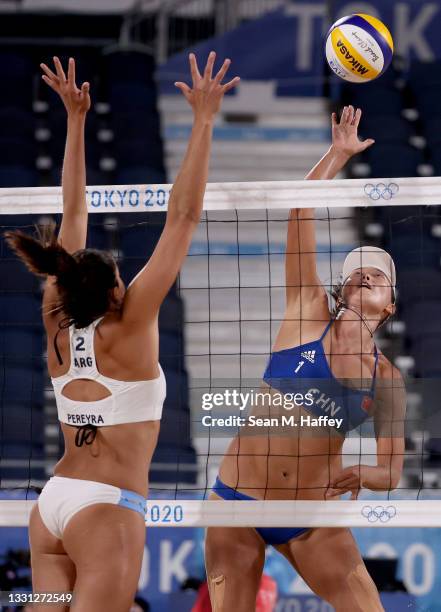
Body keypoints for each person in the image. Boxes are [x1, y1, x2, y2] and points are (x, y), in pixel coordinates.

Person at [5, 52, 239, 612]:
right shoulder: (132, 326)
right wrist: (203, 121)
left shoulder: (55, 316)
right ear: (115, 292)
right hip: (106, 510)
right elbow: (181, 217)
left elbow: (72, 214)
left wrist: (76, 122)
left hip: (52, 507)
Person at [205, 106, 406, 612]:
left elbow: (392, 473)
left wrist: (362, 476)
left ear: (391, 306)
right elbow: (301, 210)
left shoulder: (387, 379)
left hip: (312, 514)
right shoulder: (307, 311)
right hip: (238, 503)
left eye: (377, 276)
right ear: (342, 286)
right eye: (357, 271)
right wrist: (336, 156)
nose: (365, 275)